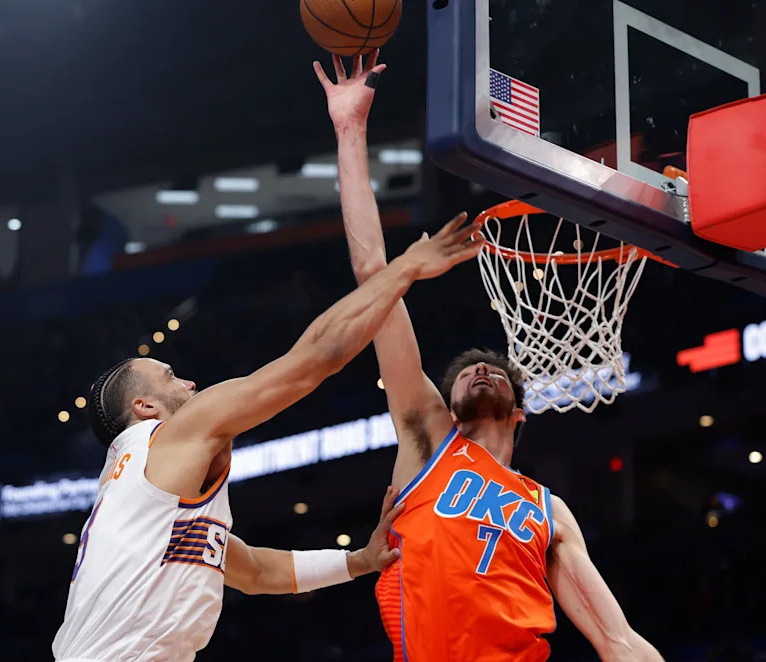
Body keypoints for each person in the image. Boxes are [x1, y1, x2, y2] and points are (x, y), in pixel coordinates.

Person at [315, 51, 665, 662]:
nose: (480, 368)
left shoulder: (549, 513)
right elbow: (373, 272)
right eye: (464, 373)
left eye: (494, 370)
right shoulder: (427, 437)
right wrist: (350, 129)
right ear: (445, 405)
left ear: (520, 412)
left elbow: (618, 639)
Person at [51, 216, 485, 662]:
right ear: (144, 408)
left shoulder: (140, 498)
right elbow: (313, 360)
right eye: (171, 377)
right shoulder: (170, 438)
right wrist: (405, 270)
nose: (190, 384)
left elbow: (255, 571)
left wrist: (357, 561)